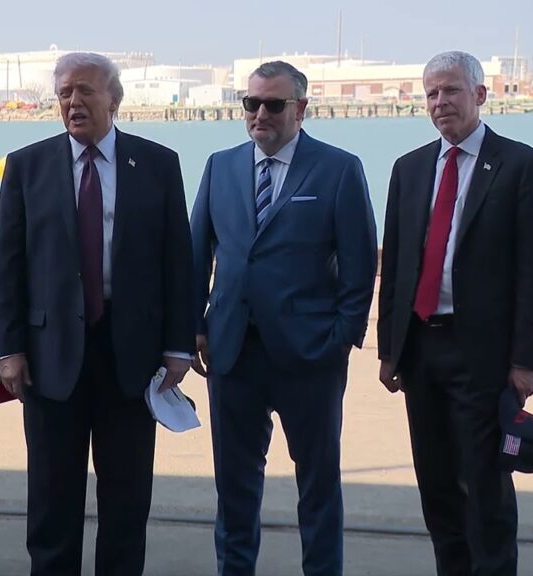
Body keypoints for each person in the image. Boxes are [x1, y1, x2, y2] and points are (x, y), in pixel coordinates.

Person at [0, 52, 195, 575]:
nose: (74, 102)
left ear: (115, 99)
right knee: (52, 499)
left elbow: (178, 260)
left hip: (130, 356)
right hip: (49, 357)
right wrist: (7, 348)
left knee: (127, 500)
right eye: (64, 93)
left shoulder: (158, 163)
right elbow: (7, 265)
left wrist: (178, 346)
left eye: (85, 91)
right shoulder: (26, 165)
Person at [190, 60, 378, 576]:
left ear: (301, 109)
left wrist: (342, 338)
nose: (260, 115)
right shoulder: (219, 166)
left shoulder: (339, 169)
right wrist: (197, 327)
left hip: (310, 355)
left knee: (318, 485)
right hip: (232, 353)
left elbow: (361, 265)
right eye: (251, 103)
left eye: (273, 104)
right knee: (234, 486)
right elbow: (196, 255)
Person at [377, 50, 533, 576]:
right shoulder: (408, 170)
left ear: (479, 94)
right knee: (436, 487)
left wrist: (526, 361)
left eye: (451, 90)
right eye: (431, 93)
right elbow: (399, 266)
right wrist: (390, 349)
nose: (440, 102)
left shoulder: (522, 166)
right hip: (421, 350)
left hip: (484, 354)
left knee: (486, 486)